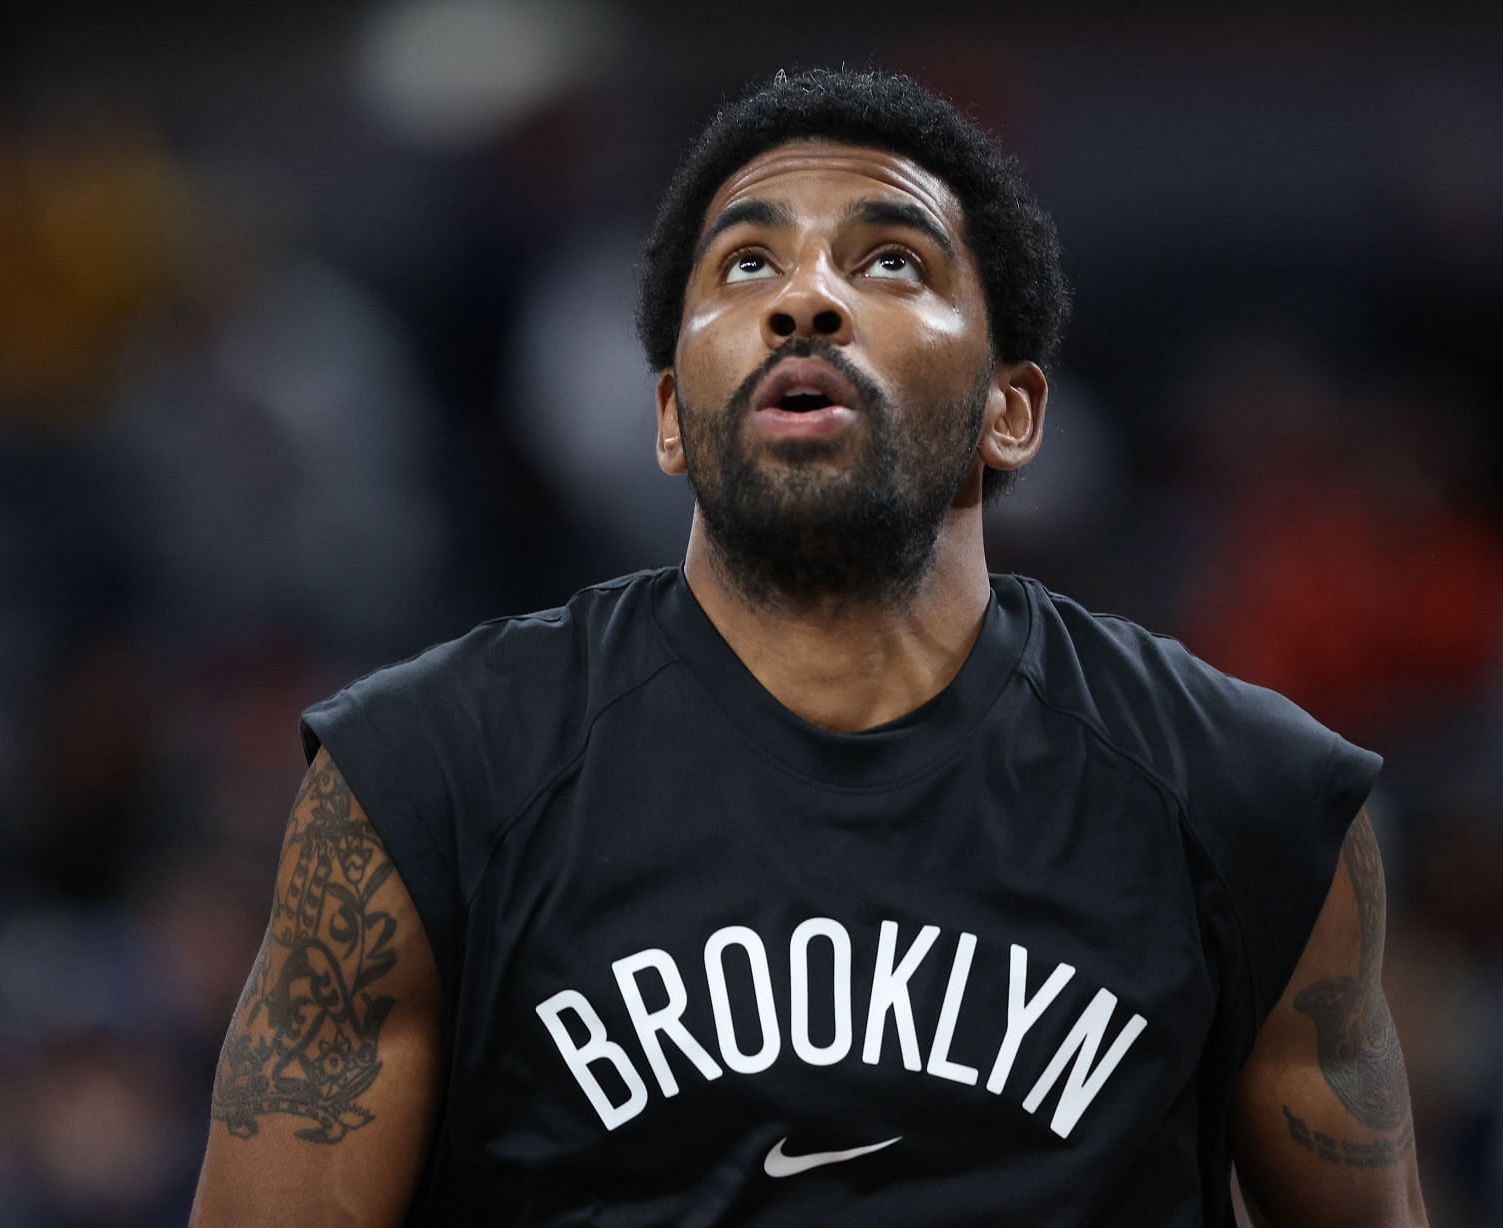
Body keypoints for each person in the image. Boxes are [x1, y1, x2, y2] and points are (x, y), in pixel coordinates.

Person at [186, 68, 1429, 1226]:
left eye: (891, 259)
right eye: (744, 264)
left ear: (1013, 408)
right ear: (672, 415)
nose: (805, 296)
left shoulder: (1248, 793)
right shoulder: (426, 780)